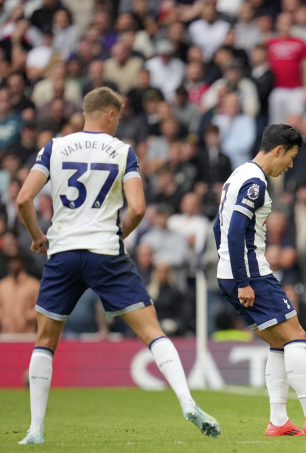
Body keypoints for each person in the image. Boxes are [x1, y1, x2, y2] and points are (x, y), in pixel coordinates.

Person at [14, 87, 220, 445]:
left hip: (62, 252)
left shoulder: (54, 147)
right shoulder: (123, 151)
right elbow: (138, 208)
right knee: (152, 331)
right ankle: (187, 401)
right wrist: (120, 232)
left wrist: (37, 236)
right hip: (106, 252)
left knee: (45, 341)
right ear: (110, 114)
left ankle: (35, 430)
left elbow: (23, 198)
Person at [214, 124, 306, 437]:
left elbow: (217, 229)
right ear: (278, 150)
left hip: (230, 273)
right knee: (296, 336)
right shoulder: (255, 182)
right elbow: (234, 231)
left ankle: (278, 421)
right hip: (251, 273)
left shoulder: (237, 175)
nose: (290, 165)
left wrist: (229, 269)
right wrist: (244, 280)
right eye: (290, 157)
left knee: (279, 343)